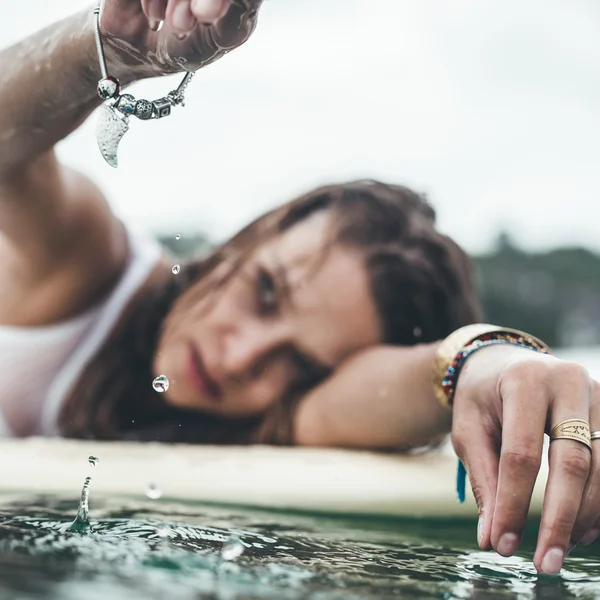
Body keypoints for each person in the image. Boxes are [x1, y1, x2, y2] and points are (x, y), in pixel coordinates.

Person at [0, 0, 598, 576]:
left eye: (299, 363)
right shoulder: (88, 263)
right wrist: (110, 48)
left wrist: (482, 364)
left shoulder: (272, 424)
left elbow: (401, 383)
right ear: (250, 240)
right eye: (265, 290)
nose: (239, 358)